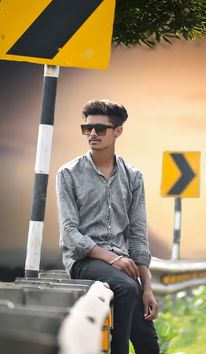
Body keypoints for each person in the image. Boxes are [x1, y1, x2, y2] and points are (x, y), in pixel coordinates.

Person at [56, 99, 159, 354]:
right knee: (125, 287)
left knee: (149, 344)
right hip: (84, 260)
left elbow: (137, 235)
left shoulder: (133, 176)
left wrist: (147, 288)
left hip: (124, 267)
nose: (92, 134)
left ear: (118, 131)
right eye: (87, 128)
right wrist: (112, 259)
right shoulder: (68, 174)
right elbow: (69, 233)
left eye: (100, 129)